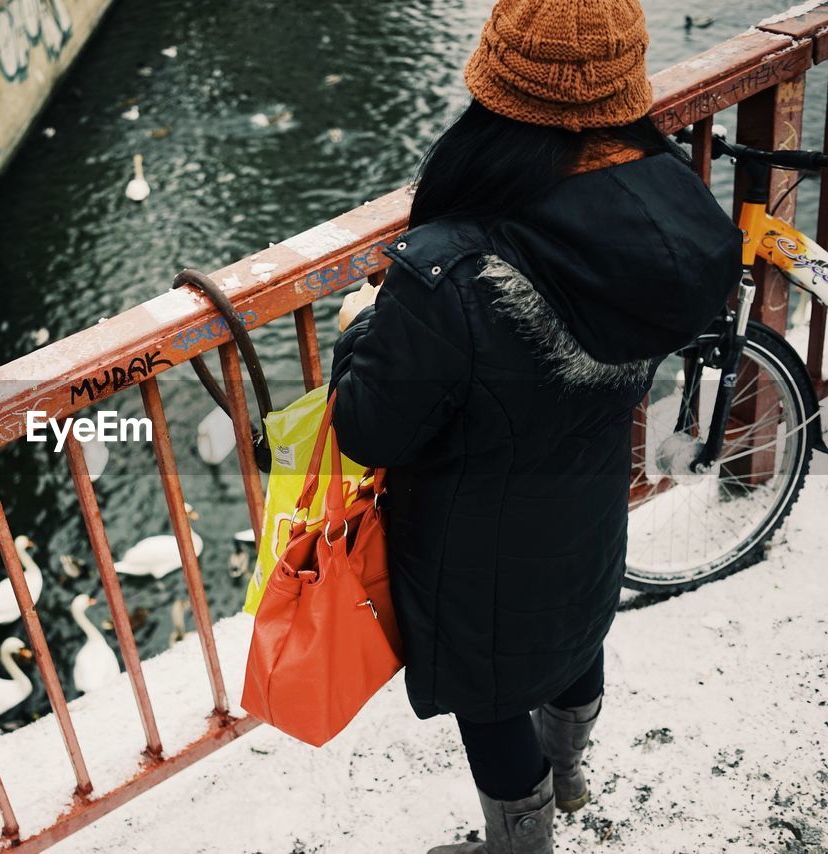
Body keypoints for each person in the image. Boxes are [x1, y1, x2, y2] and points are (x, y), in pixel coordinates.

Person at [329, 0, 741, 851]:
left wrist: (360, 330)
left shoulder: (453, 268)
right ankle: (572, 774)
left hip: (472, 549)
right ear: (628, 94)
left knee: (491, 704)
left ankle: (522, 841)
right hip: (590, 510)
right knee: (574, 638)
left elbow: (369, 429)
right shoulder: (674, 214)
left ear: (496, 100)